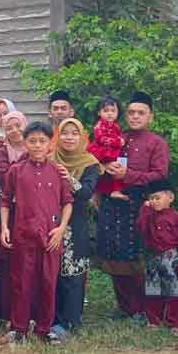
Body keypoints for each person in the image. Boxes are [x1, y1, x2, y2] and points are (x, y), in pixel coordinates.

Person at [95, 91, 169, 324]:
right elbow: (96, 160)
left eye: (141, 113)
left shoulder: (156, 143)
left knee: (136, 258)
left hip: (141, 204)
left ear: (150, 117)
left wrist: (129, 175)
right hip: (112, 202)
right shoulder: (116, 137)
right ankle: (124, 306)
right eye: (131, 112)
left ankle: (142, 309)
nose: (135, 117)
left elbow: (159, 175)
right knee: (114, 255)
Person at [0, 121, 73, 344]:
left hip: (51, 236)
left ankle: (44, 328)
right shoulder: (16, 171)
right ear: (25, 143)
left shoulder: (58, 171)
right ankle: (19, 328)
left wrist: (61, 229)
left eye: (42, 141)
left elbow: (67, 202)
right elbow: (5, 201)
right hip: (24, 234)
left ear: (50, 144)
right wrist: (4, 227)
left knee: (48, 282)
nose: (37, 145)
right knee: (21, 281)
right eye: (32, 141)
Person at [50, 118, 102, 339]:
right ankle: (49, 318)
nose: (69, 137)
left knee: (72, 274)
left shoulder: (89, 163)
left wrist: (69, 178)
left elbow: (87, 192)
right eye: (64, 133)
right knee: (51, 273)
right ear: (58, 136)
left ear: (81, 137)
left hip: (76, 225)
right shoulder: (49, 158)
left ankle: (70, 322)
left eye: (74, 133)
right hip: (50, 223)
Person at [139, 179, 178, 335]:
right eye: (151, 199)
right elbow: (141, 228)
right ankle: (154, 320)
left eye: (157, 197)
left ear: (170, 197)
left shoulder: (177, 218)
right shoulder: (148, 216)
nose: (154, 201)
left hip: (172, 260)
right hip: (153, 259)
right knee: (153, 292)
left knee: (175, 293)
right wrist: (144, 210)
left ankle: (174, 323)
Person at [0, 110, 27, 321]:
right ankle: (6, 308)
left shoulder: (34, 147)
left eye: (17, 125)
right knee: (9, 260)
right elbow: (5, 177)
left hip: (31, 211)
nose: (14, 130)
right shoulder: (3, 151)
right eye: (8, 127)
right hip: (9, 211)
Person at [87, 95, 129, 201]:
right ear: (99, 112)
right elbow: (101, 138)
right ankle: (96, 192)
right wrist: (118, 141)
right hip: (101, 151)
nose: (110, 113)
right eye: (106, 110)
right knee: (100, 171)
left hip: (111, 151)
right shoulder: (99, 125)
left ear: (118, 112)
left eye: (113, 110)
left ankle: (115, 190)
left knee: (117, 169)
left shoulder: (115, 125)